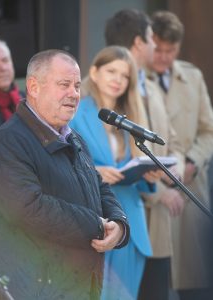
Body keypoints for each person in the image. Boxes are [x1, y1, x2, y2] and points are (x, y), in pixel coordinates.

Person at [0, 49, 130, 300]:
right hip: (35, 287)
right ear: (34, 87)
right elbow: (28, 208)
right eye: (64, 85)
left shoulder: (73, 137)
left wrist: (119, 225)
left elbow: (98, 186)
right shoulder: (8, 142)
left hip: (79, 285)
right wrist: (95, 225)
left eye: (76, 85)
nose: (73, 93)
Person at [104, 9, 185, 300]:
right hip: (123, 222)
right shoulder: (106, 90)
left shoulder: (150, 86)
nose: (155, 45)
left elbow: (171, 140)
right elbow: (109, 161)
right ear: (139, 43)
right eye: (152, 38)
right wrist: (158, 191)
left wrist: (175, 169)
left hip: (158, 229)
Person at [70, 45, 162, 299]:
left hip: (132, 226)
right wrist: (96, 170)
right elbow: (64, 162)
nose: (117, 80)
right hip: (97, 221)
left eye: (124, 76)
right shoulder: (76, 112)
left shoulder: (130, 118)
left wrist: (149, 178)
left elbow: (134, 178)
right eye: (111, 71)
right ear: (95, 72)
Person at [149, 11, 213, 300]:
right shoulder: (133, 78)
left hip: (190, 187)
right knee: (158, 283)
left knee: (195, 281)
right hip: (154, 190)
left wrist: (192, 162)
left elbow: (208, 130)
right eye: (158, 49)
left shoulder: (192, 76)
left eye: (170, 51)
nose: (163, 57)